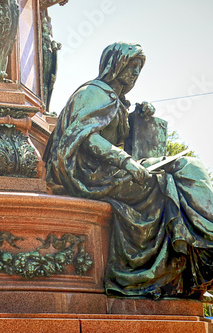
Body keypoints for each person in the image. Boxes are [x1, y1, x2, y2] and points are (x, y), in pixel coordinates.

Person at [43, 42, 213, 299]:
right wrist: (126, 162)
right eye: (131, 66)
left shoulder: (115, 101)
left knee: (189, 166)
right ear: (115, 64)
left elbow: (126, 143)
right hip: (87, 175)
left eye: (139, 69)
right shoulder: (93, 93)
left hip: (107, 170)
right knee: (163, 186)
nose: (135, 73)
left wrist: (139, 118)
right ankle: (185, 255)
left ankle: (206, 232)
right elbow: (85, 138)